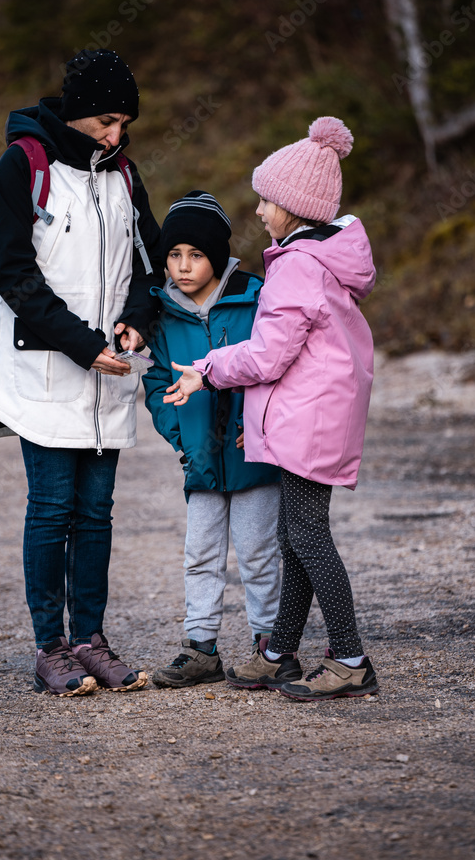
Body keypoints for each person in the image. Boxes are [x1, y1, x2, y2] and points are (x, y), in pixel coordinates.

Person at [163, 117, 380, 701]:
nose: (259, 210)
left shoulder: (298, 266)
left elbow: (267, 355)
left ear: (294, 208)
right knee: (294, 535)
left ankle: (350, 659)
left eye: (267, 200)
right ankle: (278, 652)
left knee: (308, 536)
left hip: (310, 419)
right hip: (314, 414)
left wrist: (207, 369)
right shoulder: (319, 258)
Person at [0, 49, 164, 697]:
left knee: (96, 513)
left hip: (108, 372)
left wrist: (137, 320)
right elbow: (14, 275)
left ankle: (90, 640)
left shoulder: (125, 176)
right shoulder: (21, 166)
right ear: (79, 113)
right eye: (107, 121)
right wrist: (84, 346)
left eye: (125, 124)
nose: (116, 135)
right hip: (43, 370)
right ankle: (50, 648)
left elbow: (149, 264)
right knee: (52, 508)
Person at [143, 192, 283, 688]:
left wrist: (262, 423)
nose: (183, 266)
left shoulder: (256, 299)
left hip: (254, 456)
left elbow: (274, 363)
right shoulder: (162, 313)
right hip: (199, 458)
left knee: (258, 555)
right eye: (174, 255)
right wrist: (179, 437)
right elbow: (156, 383)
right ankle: (200, 648)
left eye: (196, 255)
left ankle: (270, 646)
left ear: (218, 256)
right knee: (200, 555)